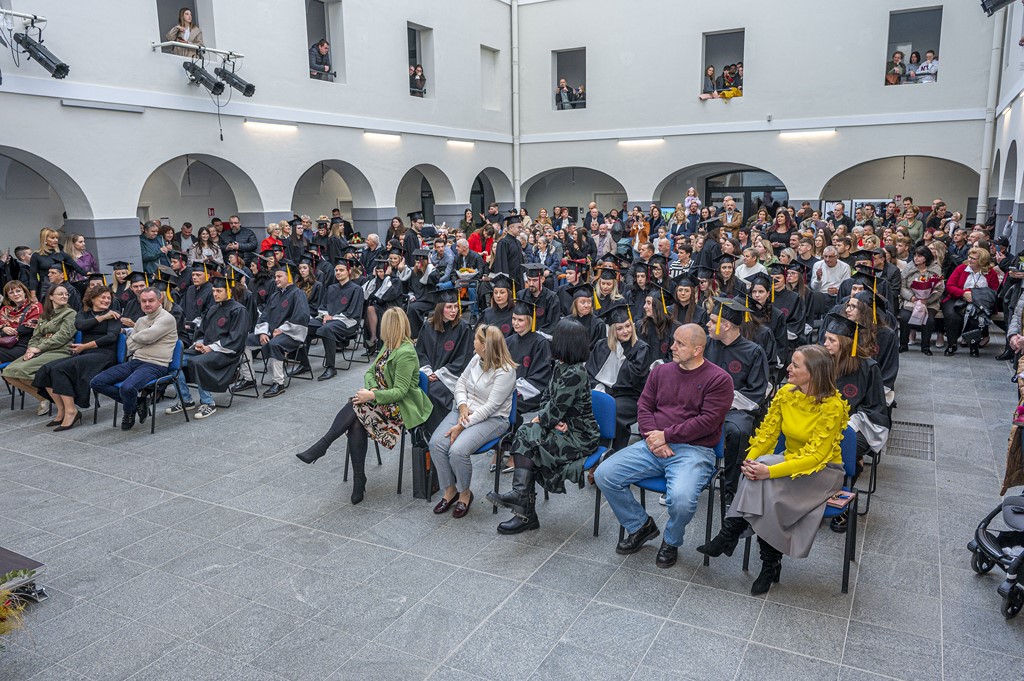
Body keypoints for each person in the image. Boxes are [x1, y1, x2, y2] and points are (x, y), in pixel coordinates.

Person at [697, 344, 849, 593]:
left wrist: (768, 471)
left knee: (765, 477)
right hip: (789, 460)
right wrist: (751, 460)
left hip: (823, 472)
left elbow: (814, 457)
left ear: (814, 373)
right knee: (760, 474)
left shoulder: (832, 406)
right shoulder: (787, 393)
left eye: (795, 365)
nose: (787, 368)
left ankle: (731, 532)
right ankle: (769, 563)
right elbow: (768, 434)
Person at [594, 324, 732, 568]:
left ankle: (671, 540)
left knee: (681, 499)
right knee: (605, 474)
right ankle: (641, 526)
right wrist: (651, 437)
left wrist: (666, 436)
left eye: (680, 344)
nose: (673, 347)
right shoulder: (661, 372)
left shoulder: (719, 379)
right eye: (674, 341)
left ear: (698, 349)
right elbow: (644, 407)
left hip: (694, 449)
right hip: (653, 443)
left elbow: (708, 422)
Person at [295, 308, 432, 505]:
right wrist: (373, 388)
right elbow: (369, 372)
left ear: (390, 327)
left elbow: (400, 392)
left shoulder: (406, 352)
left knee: (355, 406)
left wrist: (372, 395)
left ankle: (325, 447)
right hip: (380, 401)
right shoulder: (388, 347)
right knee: (357, 419)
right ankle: (358, 478)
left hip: (399, 409)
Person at [488, 319, 599, 533]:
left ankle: (525, 511)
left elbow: (552, 411)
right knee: (525, 433)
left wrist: (547, 419)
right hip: (563, 426)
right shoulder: (561, 366)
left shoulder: (576, 372)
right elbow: (546, 399)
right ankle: (522, 503)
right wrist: (552, 419)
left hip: (580, 435)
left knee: (528, 440)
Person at [429, 325, 517, 519]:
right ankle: (449, 490)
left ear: (485, 345)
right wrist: (461, 406)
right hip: (465, 410)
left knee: (457, 451)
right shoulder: (477, 358)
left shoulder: (506, 371)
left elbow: (491, 407)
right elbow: (460, 383)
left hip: (493, 419)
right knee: (436, 444)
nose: (473, 342)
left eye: (476, 339)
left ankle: (465, 493)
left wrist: (462, 425)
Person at [705, 297, 771, 503]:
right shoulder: (706, 345)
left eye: (712, 320)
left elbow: (757, 391)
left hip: (738, 408)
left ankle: (731, 485)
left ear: (725, 325)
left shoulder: (753, 351)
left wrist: (725, 400)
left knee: (738, 430)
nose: (707, 324)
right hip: (705, 404)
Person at [33, 285, 121, 430]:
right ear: (93, 299)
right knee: (46, 369)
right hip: (85, 353)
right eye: (103, 297)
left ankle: (71, 411)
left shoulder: (114, 314)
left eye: (108, 298)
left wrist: (85, 346)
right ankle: (61, 410)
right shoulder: (84, 313)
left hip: (104, 354)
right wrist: (102, 317)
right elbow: (80, 325)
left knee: (61, 369)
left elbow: (111, 337)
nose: (106, 300)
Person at [166, 275, 249, 420]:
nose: (215, 294)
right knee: (173, 360)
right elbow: (202, 332)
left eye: (219, 291)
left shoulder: (238, 310)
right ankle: (186, 400)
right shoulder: (212, 309)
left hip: (226, 352)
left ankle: (208, 402)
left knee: (197, 362)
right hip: (206, 348)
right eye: (214, 291)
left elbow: (236, 339)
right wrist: (199, 343)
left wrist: (211, 347)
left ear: (229, 291)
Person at [234, 261, 309, 398]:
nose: (276, 280)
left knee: (275, 344)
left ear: (289, 277)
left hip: (291, 334)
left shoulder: (298, 294)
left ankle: (278, 383)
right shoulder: (275, 295)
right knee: (244, 341)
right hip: (270, 333)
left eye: (280, 276)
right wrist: (262, 331)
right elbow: (265, 316)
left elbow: (301, 316)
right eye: (276, 277)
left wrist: (282, 329)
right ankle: (249, 378)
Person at [586, 300, 653, 451]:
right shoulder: (601, 345)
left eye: (628, 326)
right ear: (612, 331)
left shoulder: (641, 349)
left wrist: (622, 356)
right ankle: (593, 451)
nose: (625, 331)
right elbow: (590, 372)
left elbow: (634, 379)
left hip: (630, 396)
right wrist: (599, 388)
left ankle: (616, 451)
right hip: (604, 391)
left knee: (612, 410)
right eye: (620, 328)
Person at [2, 283, 76, 414]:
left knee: (22, 371)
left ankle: (60, 403)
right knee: (8, 373)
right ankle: (42, 397)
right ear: (51, 297)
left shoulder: (70, 313)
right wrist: (30, 349)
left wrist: (39, 348)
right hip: (41, 349)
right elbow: (35, 336)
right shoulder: (45, 315)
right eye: (60, 294)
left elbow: (62, 337)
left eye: (66, 294)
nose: (64, 296)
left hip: (60, 349)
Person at [416, 287, 474, 437]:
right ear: (440, 308)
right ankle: (420, 431)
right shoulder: (427, 327)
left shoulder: (463, 328)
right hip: (428, 374)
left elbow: (464, 358)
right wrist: (427, 372)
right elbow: (420, 353)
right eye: (449, 307)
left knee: (434, 392)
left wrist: (440, 374)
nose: (453, 310)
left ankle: (437, 433)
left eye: (455, 306)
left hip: (451, 377)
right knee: (417, 389)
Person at [941, 247, 1001, 356]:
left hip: (981, 302)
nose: (969, 260)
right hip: (957, 298)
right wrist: (963, 293)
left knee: (976, 317)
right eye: (969, 257)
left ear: (982, 261)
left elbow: (994, 291)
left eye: (973, 258)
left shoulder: (990, 273)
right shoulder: (961, 268)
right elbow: (950, 286)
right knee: (952, 315)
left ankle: (974, 346)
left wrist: (976, 296)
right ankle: (952, 344)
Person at [313, 259, 365, 380]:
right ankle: (304, 363)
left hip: (347, 322)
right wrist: (326, 316)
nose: (338, 273)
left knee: (327, 329)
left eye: (341, 270)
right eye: (336, 270)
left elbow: (353, 313)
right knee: (306, 325)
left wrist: (332, 318)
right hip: (327, 320)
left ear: (349, 271)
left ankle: (331, 367)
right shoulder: (331, 288)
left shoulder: (356, 289)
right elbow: (322, 306)